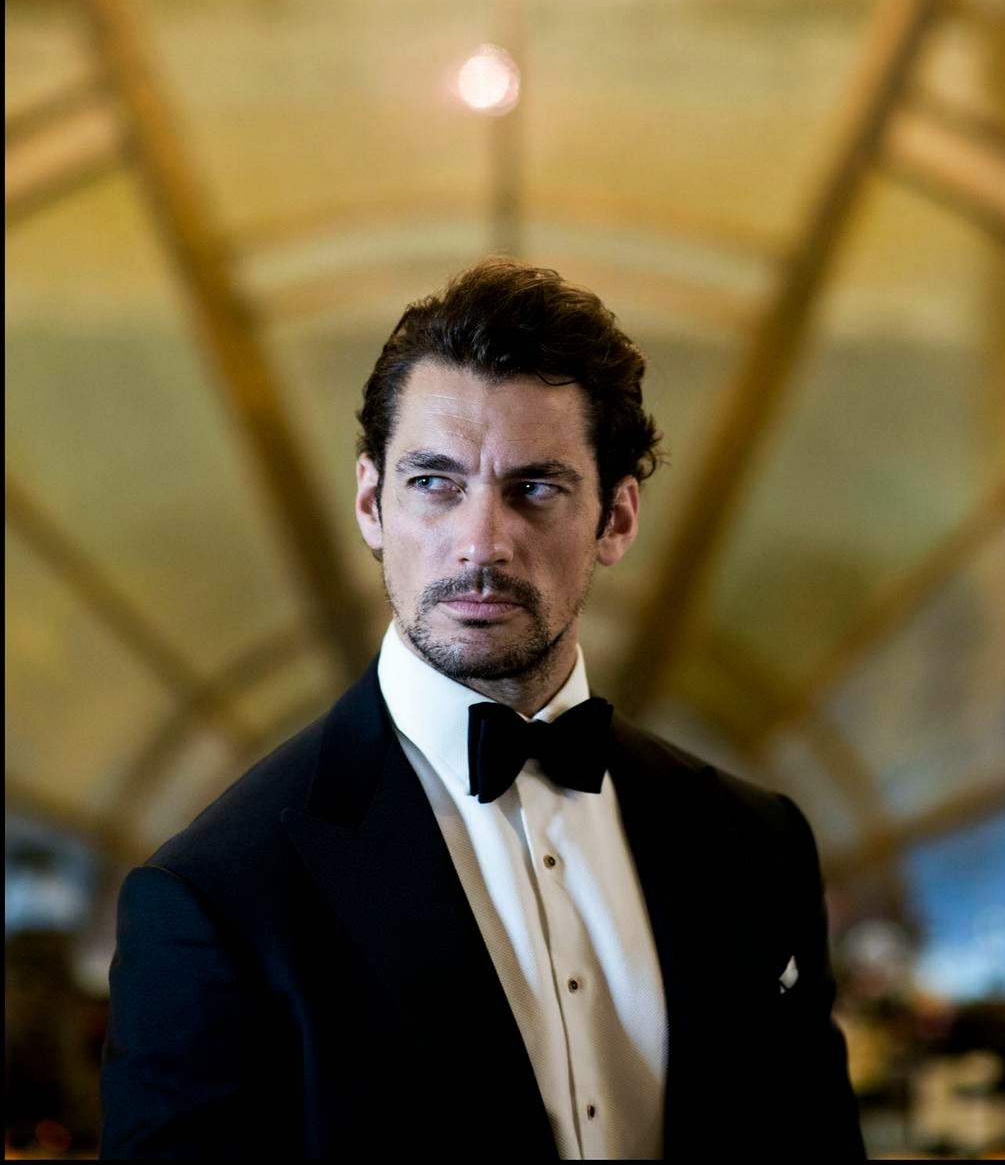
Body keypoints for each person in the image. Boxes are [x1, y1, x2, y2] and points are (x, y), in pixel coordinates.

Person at [99, 258, 865, 1160]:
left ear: (618, 519)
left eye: (534, 487)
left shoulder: (759, 845)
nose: (481, 542)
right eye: (435, 482)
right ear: (370, 504)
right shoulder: (214, 897)